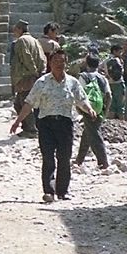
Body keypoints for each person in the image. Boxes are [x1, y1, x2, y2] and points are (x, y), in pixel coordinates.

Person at [10, 50, 96, 202]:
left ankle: (62, 191)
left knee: (64, 157)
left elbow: (81, 99)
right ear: (50, 63)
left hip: (65, 124)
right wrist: (18, 121)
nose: (59, 64)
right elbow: (29, 103)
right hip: (46, 124)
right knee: (48, 157)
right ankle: (49, 191)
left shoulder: (72, 82)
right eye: (55, 61)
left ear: (66, 63)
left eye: (62, 61)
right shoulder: (42, 82)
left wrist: (89, 109)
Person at [73, 56, 111, 169]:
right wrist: (105, 110)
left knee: (94, 135)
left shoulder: (83, 77)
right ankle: (79, 159)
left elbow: (80, 95)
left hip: (88, 109)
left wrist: (80, 109)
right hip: (100, 109)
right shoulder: (103, 78)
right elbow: (109, 95)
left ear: (87, 64)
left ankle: (103, 161)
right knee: (88, 133)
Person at [9, 20, 44, 138]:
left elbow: (26, 57)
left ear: (19, 29)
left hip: (25, 77)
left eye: (15, 29)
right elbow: (43, 58)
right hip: (33, 76)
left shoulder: (21, 41)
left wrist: (33, 72)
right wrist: (40, 72)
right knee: (18, 104)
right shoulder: (35, 41)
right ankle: (27, 127)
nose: (14, 32)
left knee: (24, 104)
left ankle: (31, 130)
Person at [105, 43, 127, 119]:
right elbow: (122, 73)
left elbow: (99, 67)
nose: (121, 54)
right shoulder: (119, 60)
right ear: (114, 51)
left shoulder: (106, 60)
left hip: (109, 84)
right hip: (119, 83)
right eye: (119, 52)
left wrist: (106, 75)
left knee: (112, 105)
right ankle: (122, 123)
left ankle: (112, 123)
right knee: (121, 104)